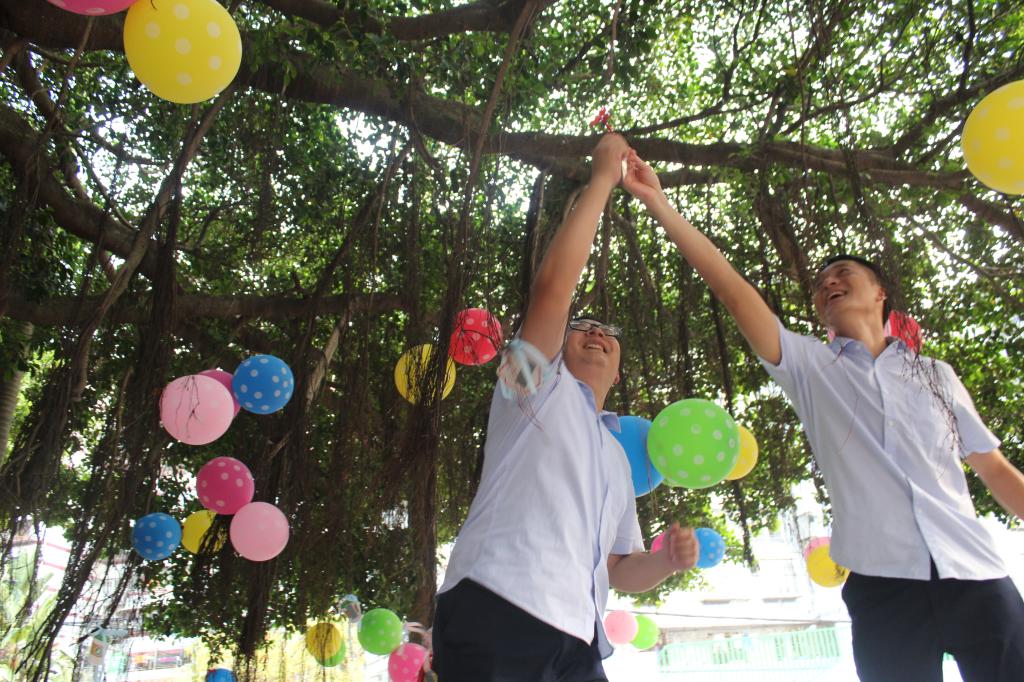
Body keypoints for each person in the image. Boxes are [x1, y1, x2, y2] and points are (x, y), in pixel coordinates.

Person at [621, 148, 1024, 681]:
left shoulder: (936, 375)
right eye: (820, 283)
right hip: (884, 587)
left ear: (880, 293)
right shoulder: (811, 367)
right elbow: (733, 291)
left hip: (976, 573)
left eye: (843, 273)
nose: (828, 283)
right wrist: (659, 203)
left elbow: (994, 469)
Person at [431, 134, 700, 682]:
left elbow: (620, 567)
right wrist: (602, 180)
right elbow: (553, 290)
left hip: (579, 639)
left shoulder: (618, 459)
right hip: (498, 603)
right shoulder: (530, 389)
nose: (595, 332)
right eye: (582, 326)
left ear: (618, 372)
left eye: (607, 331)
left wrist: (667, 562)